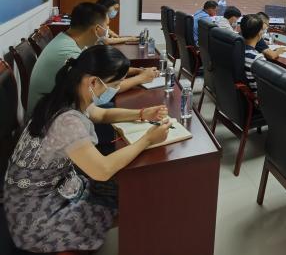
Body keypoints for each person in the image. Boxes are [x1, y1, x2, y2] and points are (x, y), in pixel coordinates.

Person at [4, 45, 171, 253]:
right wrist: (148, 140)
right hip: (37, 219)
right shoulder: (67, 121)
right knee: (127, 196)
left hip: (40, 196)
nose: (115, 90)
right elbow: (102, 170)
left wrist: (141, 114)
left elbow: (101, 114)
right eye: (114, 85)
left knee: (122, 190)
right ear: (93, 82)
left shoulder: (66, 96)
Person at [27, 3, 158, 117]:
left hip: (64, 110)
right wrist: (141, 78)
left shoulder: (67, 40)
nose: (108, 31)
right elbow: (102, 89)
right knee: (129, 104)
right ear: (97, 29)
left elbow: (103, 71)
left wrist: (137, 71)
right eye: (107, 25)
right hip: (50, 120)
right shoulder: (69, 53)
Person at [240, 14, 266, 98]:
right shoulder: (257, 58)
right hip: (257, 98)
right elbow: (262, 87)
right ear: (259, 33)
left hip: (241, 94)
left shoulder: (237, 49)